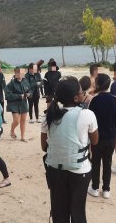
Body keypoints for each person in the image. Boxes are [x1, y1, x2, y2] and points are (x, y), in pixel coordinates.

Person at [41, 76, 98, 223]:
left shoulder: (49, 115)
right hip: (79, 171)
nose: (83, 94)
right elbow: (95, 141)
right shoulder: (86, 114)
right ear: (76, 98)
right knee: (78, 212)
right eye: (81, 92)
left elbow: (43, 147)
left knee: (59, 213)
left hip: (55, 169)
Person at [87, 74, 116, 199]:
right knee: (107, 162)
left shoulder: (95, 100)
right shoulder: (114, 100)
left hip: (97, 137)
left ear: (98, 85)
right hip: (111, 137)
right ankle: (106, 189)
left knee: (95, 162)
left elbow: (91, 119)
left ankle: (95, 187)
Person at [4, 67, 31, 142]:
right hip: (14, 104)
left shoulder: (26, 81)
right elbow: (7, 95)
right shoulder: (11, 83)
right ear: (15, 73)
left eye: (21, 73)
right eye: (18, 73)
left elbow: (29, 90)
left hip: (23, 103)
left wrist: (29, 94)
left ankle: (22, 137)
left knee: (23, 120)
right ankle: (12, 130)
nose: (20, 74)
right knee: (16, 121)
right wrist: (19, 96)